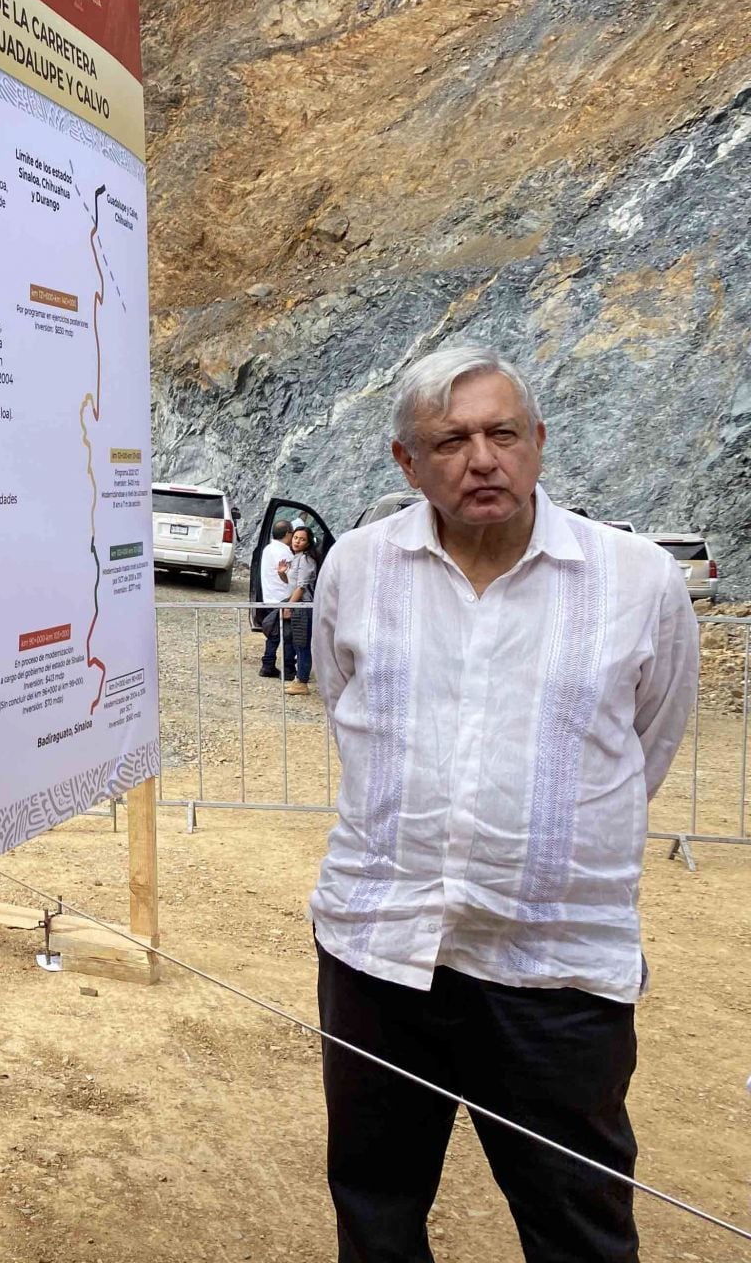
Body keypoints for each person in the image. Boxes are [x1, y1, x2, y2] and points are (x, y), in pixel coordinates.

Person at [310, 344, 698, 1263]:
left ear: (540, 443)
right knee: (376, 1211)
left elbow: (651, 739)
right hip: (380, 949)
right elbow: (346, 707)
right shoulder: (356, 569)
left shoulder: (637, 580)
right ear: (407, 463)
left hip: (554, 966)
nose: (483, 460)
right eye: (450, 440)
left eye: (503, 434)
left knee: (578, 1228)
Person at [283, 525, 319, 695]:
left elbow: (301, 587)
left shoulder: (306, 560)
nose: (297, 541)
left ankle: (302, 681)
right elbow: (291, 583)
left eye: (302, 539)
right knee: (297, 643)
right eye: (296, 537)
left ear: (308, 542)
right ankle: (298, 678)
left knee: (302, 644)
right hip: (297, 604)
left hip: (303, 606)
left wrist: (289, 606)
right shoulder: (296, 558)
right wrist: (282, 573)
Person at [259, 519, 294, 677]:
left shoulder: (268, 549)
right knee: (288, 637)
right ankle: (288, 669)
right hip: (283, 598)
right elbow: (292, 576)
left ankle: (268, 664)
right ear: (287, 533)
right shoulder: (285, 552)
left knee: (273, 635)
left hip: (269, 597)